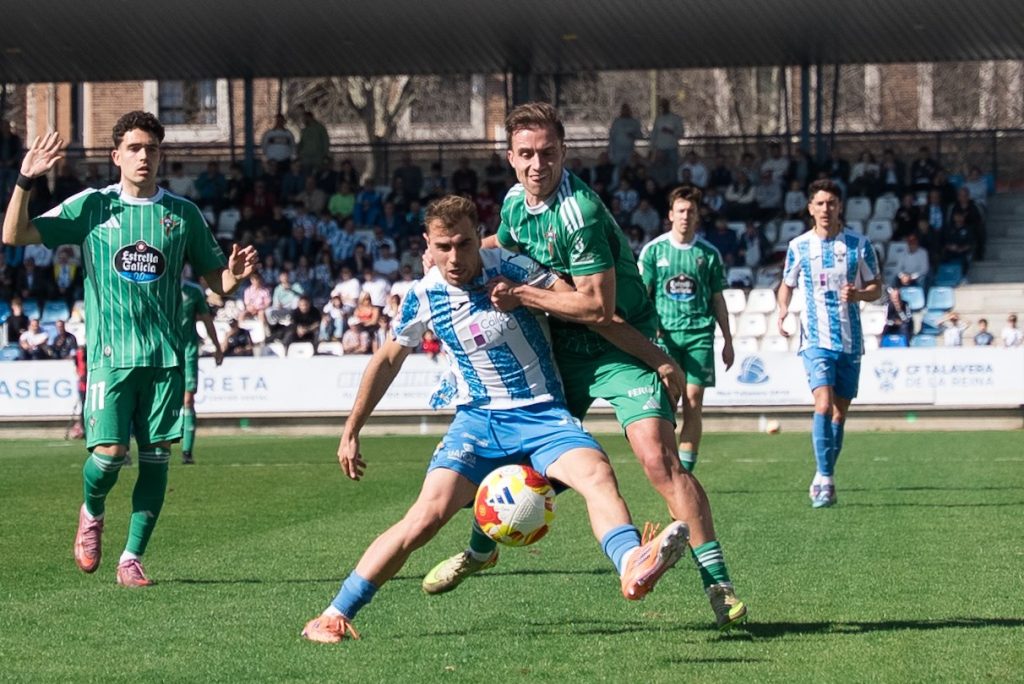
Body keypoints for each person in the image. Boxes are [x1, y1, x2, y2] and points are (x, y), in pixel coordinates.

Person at [300, 195, 689, 644]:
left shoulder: (513, 268)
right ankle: (333, 615)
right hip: (478, 424)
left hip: (544, 415)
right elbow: (387, 360)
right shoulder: (424, 295)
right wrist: (352, 429)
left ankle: (631, 563)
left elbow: (588, 309)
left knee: (598, 474)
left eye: (463, 244)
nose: (454, 257)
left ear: (479, 237)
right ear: (426, 244)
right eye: (443, 247)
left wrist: (657, 359)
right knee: (425, 518)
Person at [425, 103, 746, 630]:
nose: (537, 165)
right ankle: (481, 551)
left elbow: (598, 309)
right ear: (510, 157)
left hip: (621, 346)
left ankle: (718, 584)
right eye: (526, 154)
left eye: (547, 153)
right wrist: (446, 255)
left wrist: (524, 295)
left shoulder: (581, 213)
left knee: (659, 461)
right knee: (523, 464)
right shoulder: (515, 202)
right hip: (560, 354)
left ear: (563, 152)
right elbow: (503, 244)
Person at [2, 112, 258, 587]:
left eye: (152, 149)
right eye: (135, 148)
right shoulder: (93, 207)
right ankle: (92, 510)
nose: (144, 157)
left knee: (156, 458)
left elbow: (218, 283)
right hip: (110, 357)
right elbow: (13, 235)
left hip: (164, 359)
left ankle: (131, 559)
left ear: (160, 156)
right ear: (116, 156)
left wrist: (236, 277)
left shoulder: (182, 214)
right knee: (109, 455)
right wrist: (25, 180)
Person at [776, 179, 881, 509]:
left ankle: (824, 475)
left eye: (831, 203)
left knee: (839, 413)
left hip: (850, 340)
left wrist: (860, 294)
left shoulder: (859, 245)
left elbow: (877, 287)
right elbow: (787, 284)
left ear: (840, 207)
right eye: (820, 204)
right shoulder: (799, 247)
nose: (826, 209)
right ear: (810, 208)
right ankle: (826, 479)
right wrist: (782, 310)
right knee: (822, 404)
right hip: (815, 339)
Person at [638, 186, 734, 474]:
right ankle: (668, 464)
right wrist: (647, 332)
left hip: (699, 335)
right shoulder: (654, 251)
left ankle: (685, 473)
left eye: (691, 211)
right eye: (680, 210)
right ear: (670, 214)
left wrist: (728, 340)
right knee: (668, 402)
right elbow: (643, 296)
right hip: (664, 337)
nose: (685, 215)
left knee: (694, 400)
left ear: (697, 216)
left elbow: (717, 299)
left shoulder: (709, 254)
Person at [180, 277, 224, 465]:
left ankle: (187, 451)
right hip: (164, 352)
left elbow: (206, 320)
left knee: (188, 400)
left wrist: (217, 347)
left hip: (188, 352)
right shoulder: (158, 286)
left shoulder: (194, 291)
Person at [607, 103, 644, 172]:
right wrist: (610, 151)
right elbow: (611, 137)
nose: (625, 111)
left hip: (629, 151)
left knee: (628, 170)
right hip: (617, 152)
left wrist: (633, 135)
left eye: (627, 109)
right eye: (624, 109)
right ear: (621, 111)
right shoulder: (617, 122)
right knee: (616, 171)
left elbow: (640, 135)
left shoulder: (634, 122)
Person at [296, 108, 329, 175]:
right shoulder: (304, 130)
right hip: (305, 156)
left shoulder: (320, 128)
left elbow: (325, 141)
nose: (303, 120)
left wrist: (325, 154)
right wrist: (299, 152)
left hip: (317, 156)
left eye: (305, 118)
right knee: (305, 174)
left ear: (309, 117)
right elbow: (301, 142)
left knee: (317, 174)